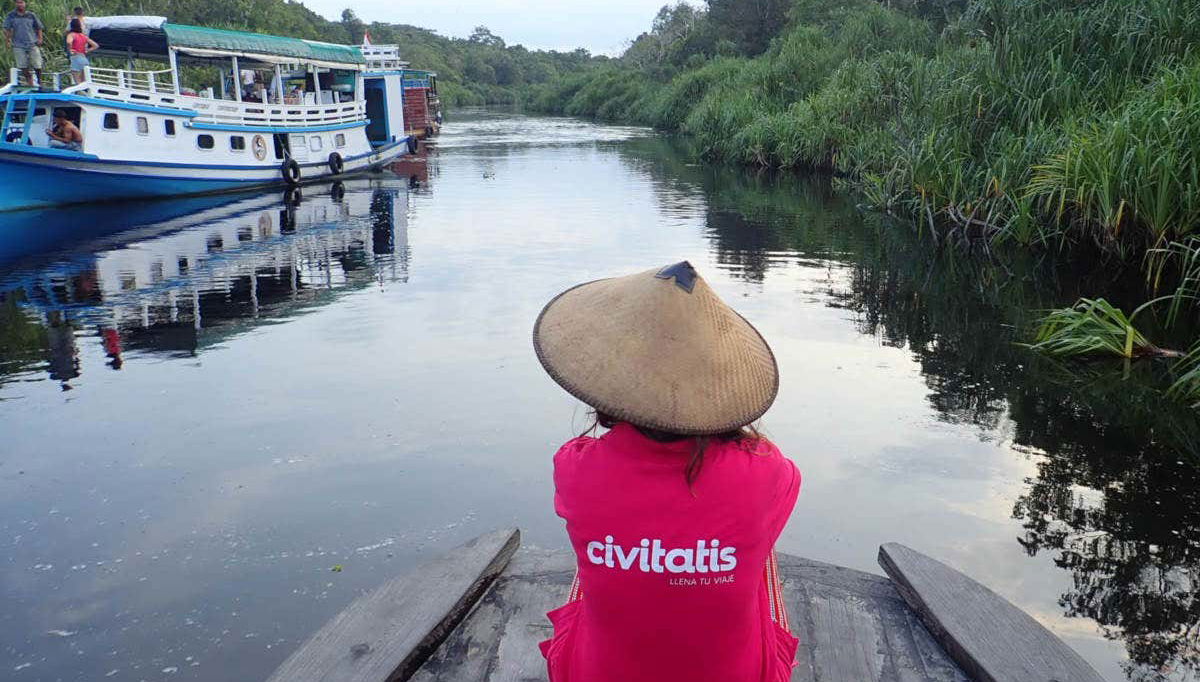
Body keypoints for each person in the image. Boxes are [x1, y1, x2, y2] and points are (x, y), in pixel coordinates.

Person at [533, 261, 802, 682]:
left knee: (596, 548)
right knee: (759, 544)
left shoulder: (574, 467)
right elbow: (781, 472)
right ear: (719, 386)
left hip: (594, 673)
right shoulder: (767, 473)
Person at [4, 0, 44, 87]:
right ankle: (29, 81)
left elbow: (39, 27)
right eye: (18, 2)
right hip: (18, 44)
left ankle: (39, 81)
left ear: (25, 3)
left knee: (37, 63)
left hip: (32, 42)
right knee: (22, 64)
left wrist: (40, 38)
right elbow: (7, 29)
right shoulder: (11, 16)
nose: (20, 4)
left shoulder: (31, 15)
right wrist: (7, 41)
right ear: (15, 4)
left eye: (21, 2)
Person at [65, 18, 96, 84]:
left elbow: (69, 42)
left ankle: (80, 93)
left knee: (77, 82)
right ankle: (85, 94)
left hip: (76, 58)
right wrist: (87, 50)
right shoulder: (83, 36)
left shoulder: (71, 35)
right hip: (84, 59)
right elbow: (95, 45)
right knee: (84, 83)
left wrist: (70, 50)